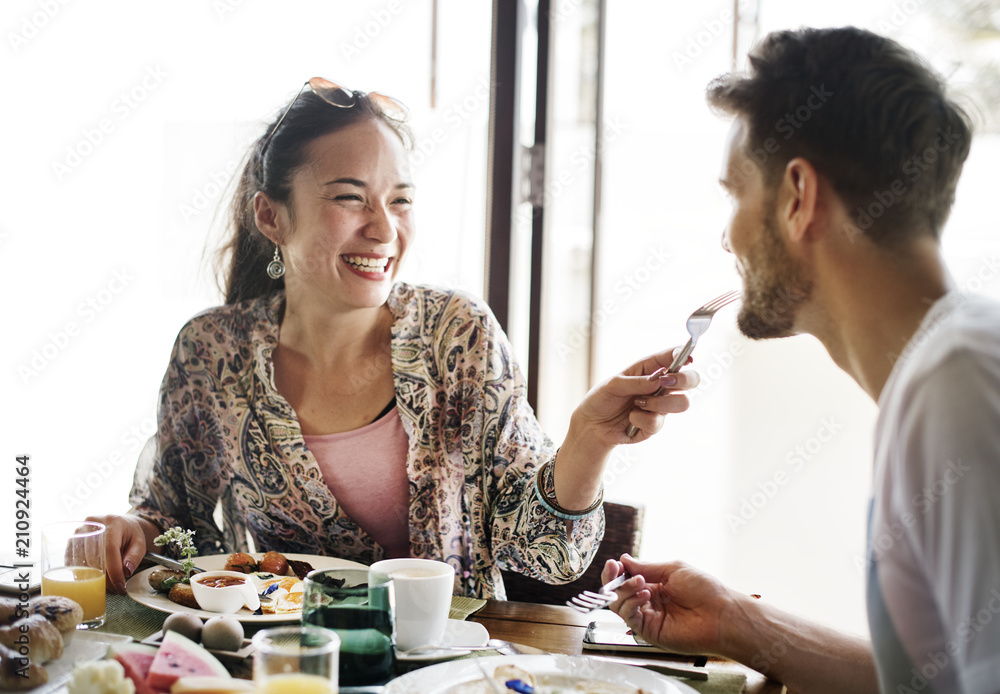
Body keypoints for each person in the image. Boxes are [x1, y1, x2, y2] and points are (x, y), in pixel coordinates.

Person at [88, 78, 698, 599]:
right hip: (279, 668)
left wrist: (588, 440)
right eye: (350, 198)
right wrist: (130, 534)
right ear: (271, 216)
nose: (383, 228)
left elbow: (548, 554)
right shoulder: (210, 352)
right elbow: (173, 531)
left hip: (444, 670)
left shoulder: (457, 335)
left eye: (400, 200)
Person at [603, 27, 1000, 694]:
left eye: (735, 193)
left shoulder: (959, 386)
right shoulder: (940, 375)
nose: (725, 233)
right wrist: (740, 626)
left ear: (797, 196)